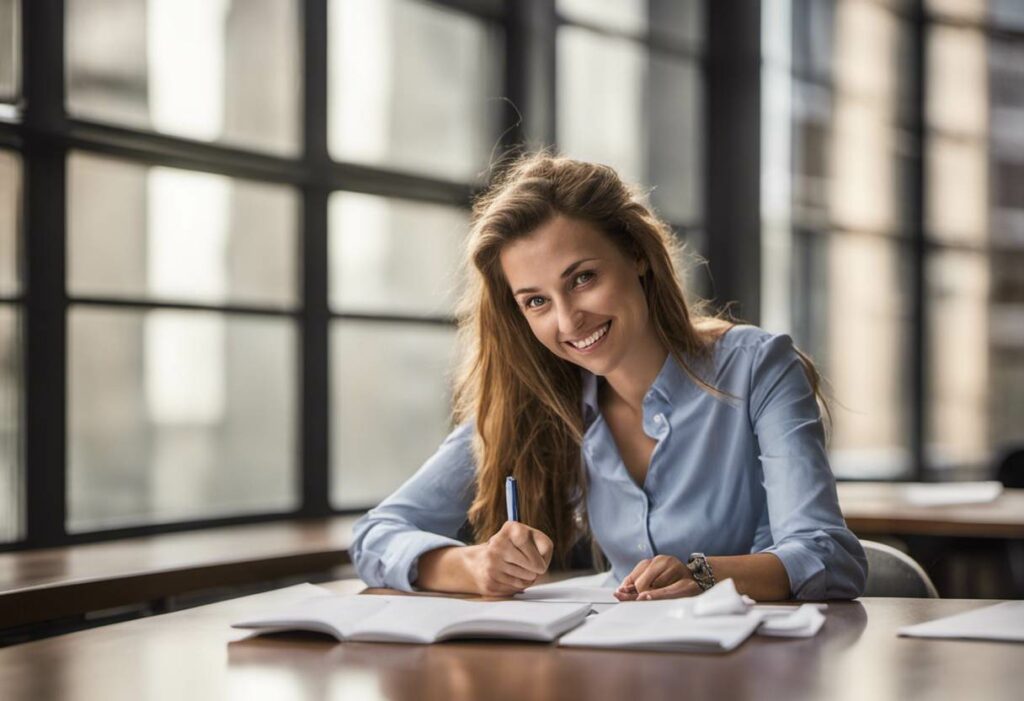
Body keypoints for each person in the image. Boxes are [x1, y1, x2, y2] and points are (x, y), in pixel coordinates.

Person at [351, 153, 867, 601]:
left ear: (637, 255)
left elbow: (829, 555)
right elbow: (377, 534)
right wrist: (472, 566)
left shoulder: (757, 368)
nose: (568, 320)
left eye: (582, 279)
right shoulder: (539, 402)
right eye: (536, 301)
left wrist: (704, 574)